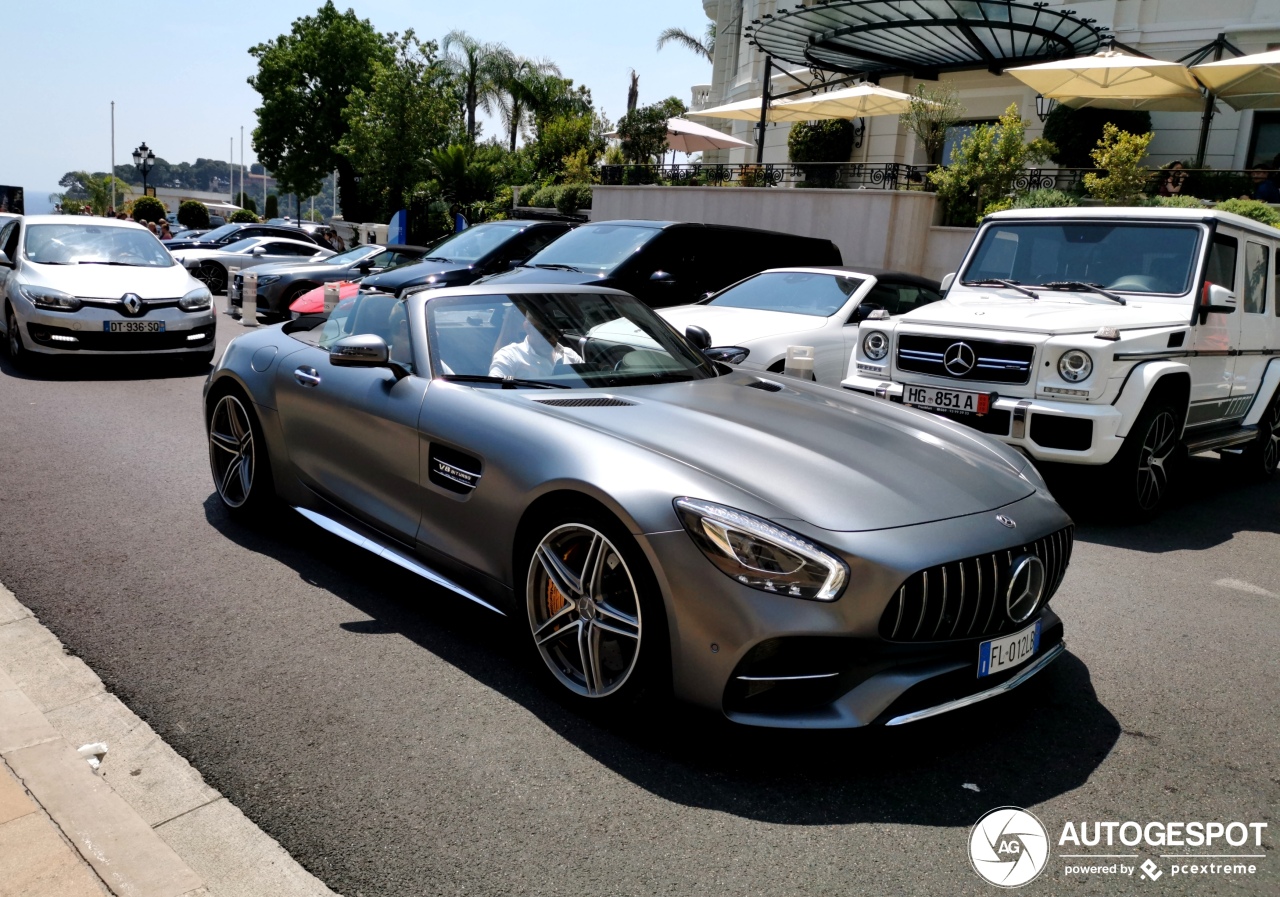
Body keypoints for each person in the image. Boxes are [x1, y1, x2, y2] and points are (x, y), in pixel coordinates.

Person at [489, 313, 582, 379]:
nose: (553, 338)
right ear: (527, 328)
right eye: (545, 333)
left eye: (557, 332)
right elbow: (493, 392)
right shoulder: (509, 356)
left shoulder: (570, 355)